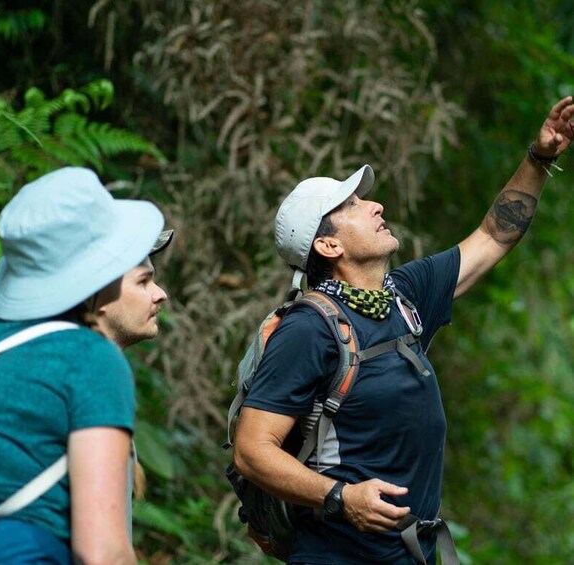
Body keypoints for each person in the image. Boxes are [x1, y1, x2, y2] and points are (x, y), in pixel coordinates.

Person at [233, 97, 574, 564]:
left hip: (413, 552)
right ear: (328, 243)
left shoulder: (405, 295)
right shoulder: (310, 328)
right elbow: (252, 450)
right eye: (353, 205)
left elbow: (494, 236)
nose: (375, 205)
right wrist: (340, 497)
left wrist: (540, 157)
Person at [0, 166, 171, 564]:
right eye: (142, 280)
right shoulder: (90, 359)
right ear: (97, 287)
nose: (161, 294)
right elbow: (101, 552)